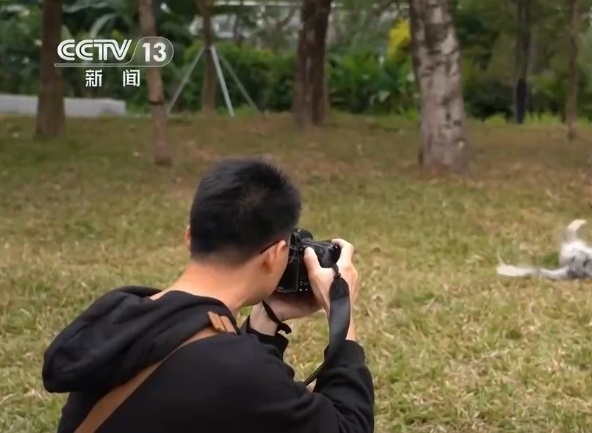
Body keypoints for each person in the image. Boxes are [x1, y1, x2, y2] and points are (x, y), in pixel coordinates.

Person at [41, 158, 374, 433]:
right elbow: (349, 427)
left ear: (189, 237)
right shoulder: (239, 370)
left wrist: (267, 318)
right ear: (274, 256)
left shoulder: (121, 311)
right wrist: (340, 309)